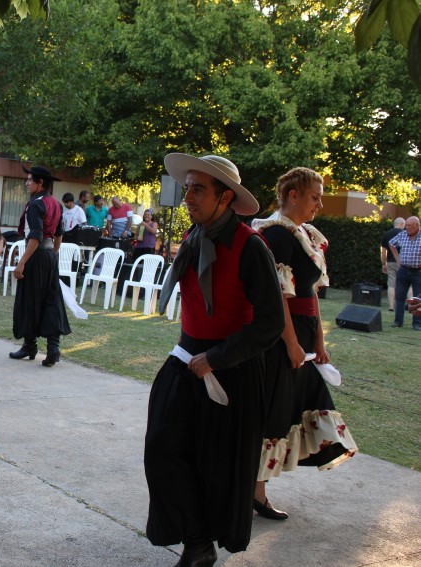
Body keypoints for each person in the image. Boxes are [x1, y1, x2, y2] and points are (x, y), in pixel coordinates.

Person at [148, 153, 284, 566]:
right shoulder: (195, 236)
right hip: (187, 357)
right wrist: (196, 352)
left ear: (226, 198)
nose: (188, 196)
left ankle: (199, 546)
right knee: (163, 448)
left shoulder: (251, 246)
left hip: (233, 370)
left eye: (198, 189)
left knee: (216, 465)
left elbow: (271, 323)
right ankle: (195, 538)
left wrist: (218, 357)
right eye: (187, 187)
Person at [251, 167, 358, 522]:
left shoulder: (305, 235)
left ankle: (254, 490)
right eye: (315, 196)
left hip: (302, 338)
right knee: (275, 414)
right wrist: (293, 343)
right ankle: (255, 492)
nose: (320, 203)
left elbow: (310, 293)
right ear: (293, 195)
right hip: (283, 338)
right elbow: (278, 296)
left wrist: (319, 341)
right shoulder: (278, 234)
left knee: (303, 406)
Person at [9, 165, 71, 367]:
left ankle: (30, 345)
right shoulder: (55, 203)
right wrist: (52, 254)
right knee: (50, 299)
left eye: (29, 180)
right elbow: (59, 233)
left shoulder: (36, 204)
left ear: (40, 182)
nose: (27, 183)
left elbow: (34, 236)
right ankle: (53, 347)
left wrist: (22, 262)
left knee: (29, 299)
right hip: (49, 257)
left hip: (35, 255)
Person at [389, 216, 421, 330]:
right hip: (403, 270)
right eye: (406, 225)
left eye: (409, 226)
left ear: (417, 226)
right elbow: (391, 243)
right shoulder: (402, 235)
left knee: (418, 299)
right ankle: (398, 321)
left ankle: (417, 323)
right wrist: (397, 259)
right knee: (400, 296)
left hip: (418, 272)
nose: (407, 228)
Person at [381, 217, 405, 311]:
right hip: (404, 263)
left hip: (391, 262)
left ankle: (391, 306)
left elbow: (383, 251)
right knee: (408, 285)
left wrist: (384, 263)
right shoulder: (405, 234)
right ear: (402, 224)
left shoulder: (387, 234)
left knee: (391, 284)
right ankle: (411, 305)